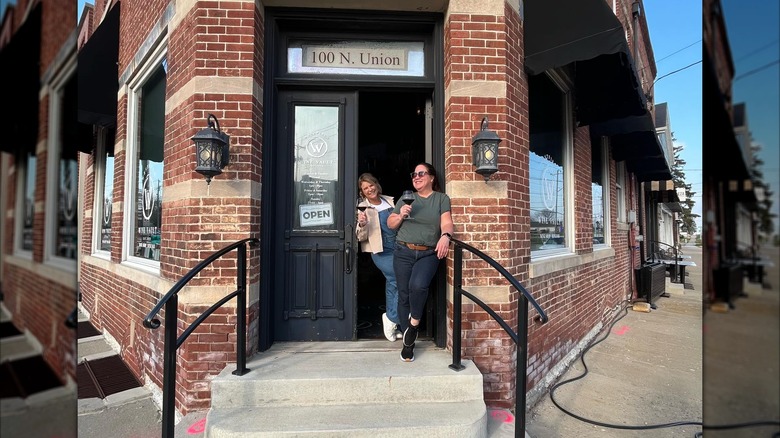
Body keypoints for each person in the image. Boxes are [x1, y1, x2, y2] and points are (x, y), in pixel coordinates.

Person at [387, 163, 454, 362]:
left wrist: (446, 236)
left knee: (418, 286)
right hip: (403, 251)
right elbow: (390, 224)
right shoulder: (406, 197)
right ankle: (408, 343)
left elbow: (447, 222)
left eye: (421, 173)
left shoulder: (441, 199)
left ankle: (413, 325)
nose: (416, 177)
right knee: (404, 295)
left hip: (428, 253)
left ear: (432, 178)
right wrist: (400, 215)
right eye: (414, 174)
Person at [356, 173, 402, 342]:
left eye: (371, 185)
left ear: (376, 184)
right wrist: (362, 224)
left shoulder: (389, 201)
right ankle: (392, 318)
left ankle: (393, 325)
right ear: (362, 192)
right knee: (400, 281)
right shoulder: (362, 207)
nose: (370, 190)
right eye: (365, 188)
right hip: (382, 252)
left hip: (398, 247)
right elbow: (360, 237)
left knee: (392, 284)